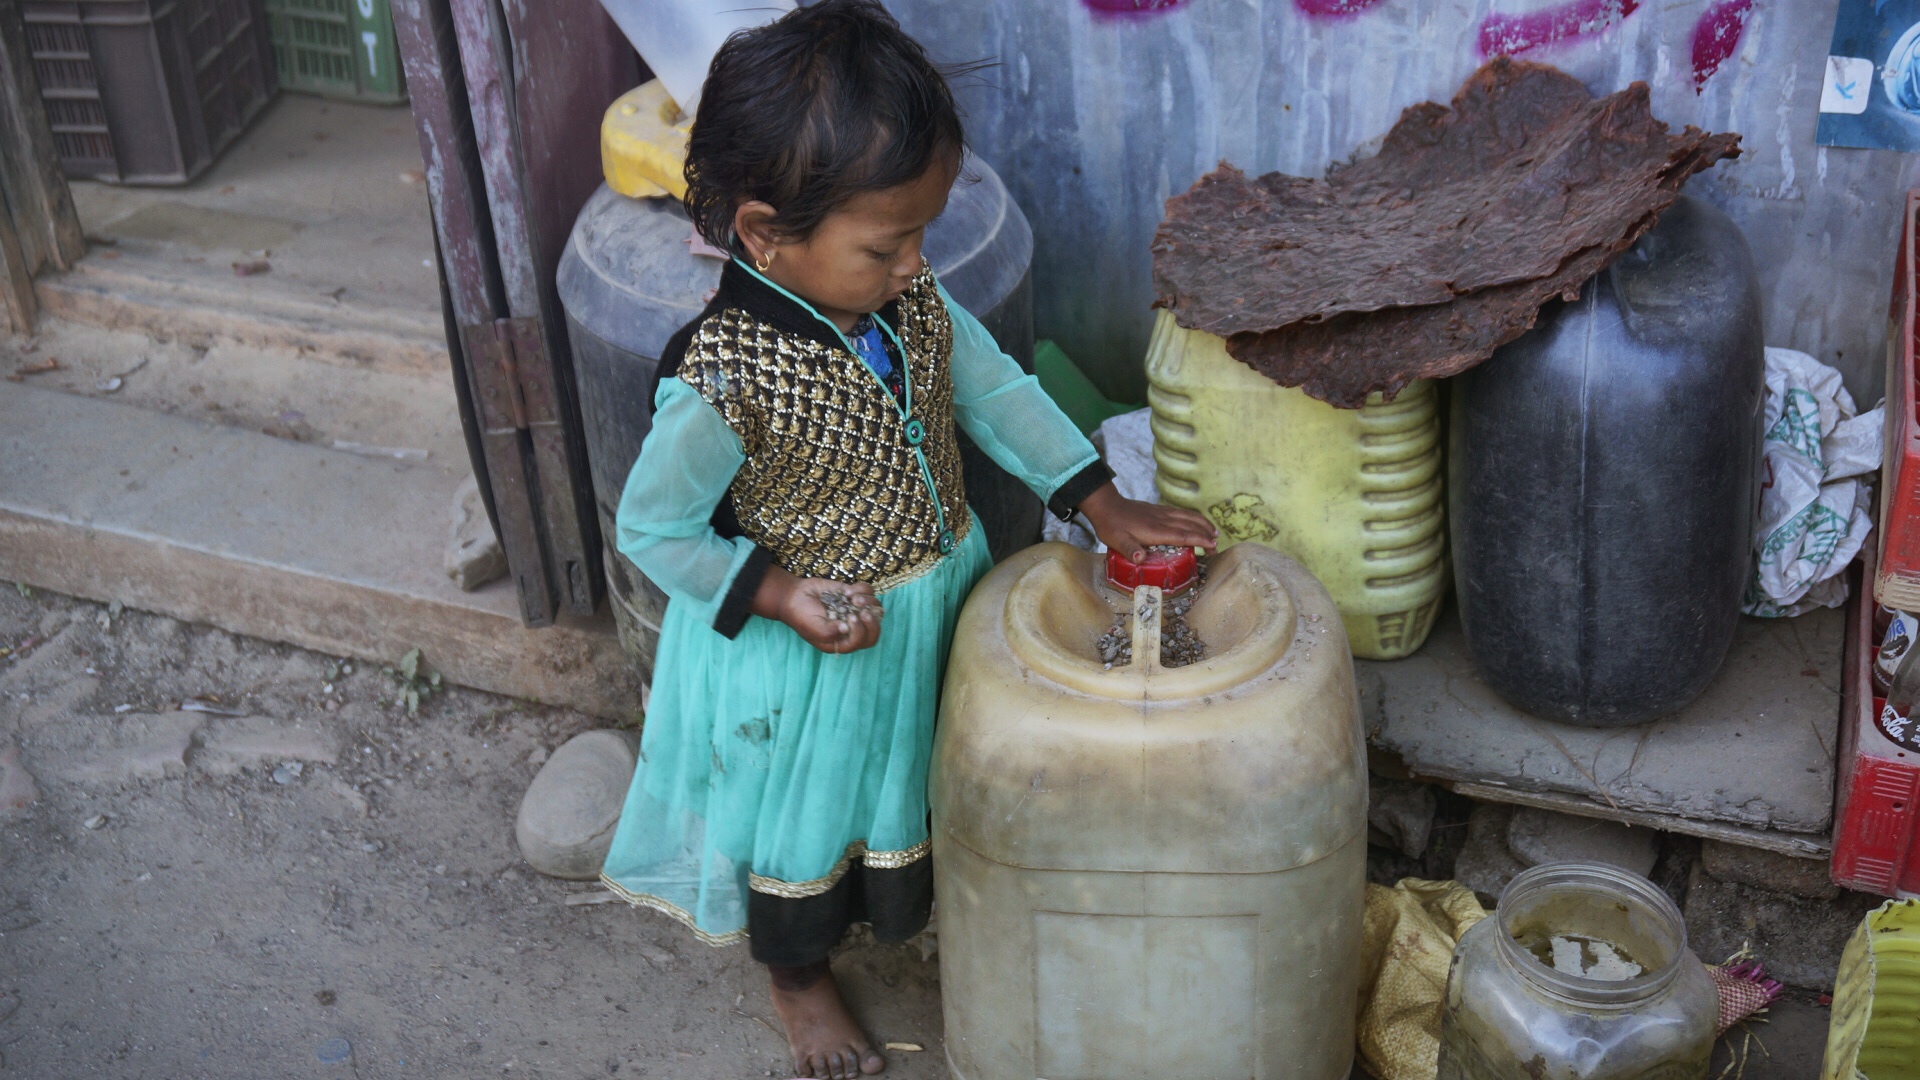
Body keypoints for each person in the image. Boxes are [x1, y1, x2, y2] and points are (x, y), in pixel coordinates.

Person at [598, 3, 1217, 1076]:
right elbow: (650, 526)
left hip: (929, 602)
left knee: (921, 771)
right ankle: (798, 978)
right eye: (888, 243)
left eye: (921, 234)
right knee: (810, 815)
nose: (914, 263)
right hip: (808, 655)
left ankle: (917, 908)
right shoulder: (727, 378)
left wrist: (1094, 497)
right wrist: (780, 590)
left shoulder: (906, 301)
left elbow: (988, 387)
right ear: (762, 234)